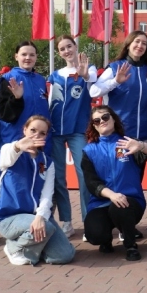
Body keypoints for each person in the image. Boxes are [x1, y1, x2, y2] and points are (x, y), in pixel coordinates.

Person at [0, 115, 75, 266]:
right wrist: (18, 146)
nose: (36, 135)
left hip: (35, 215)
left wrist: (40, 217)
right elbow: (7, 156)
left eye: (42, 133)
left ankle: (34, 244)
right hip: (7, 216)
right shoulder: (9, 150)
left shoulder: (47, 162)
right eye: (33, 130)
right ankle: (14, 248)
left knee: (64, 255)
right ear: (25, 130)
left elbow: (47, 195)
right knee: (47, 228)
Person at [80, 106, 147, 259]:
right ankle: (105, 240)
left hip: (130, 202)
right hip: (101, 202)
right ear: (94, 126)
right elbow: (91, 182)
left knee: (119, 206)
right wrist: (112, 195)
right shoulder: (89, 151)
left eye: (105, 117)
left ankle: (131, 246)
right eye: (97, 120)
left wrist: (141, 146)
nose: (102, 121)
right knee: (94, 234)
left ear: (113, 119)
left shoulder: (128, 143)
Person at [47, 35, 97, 237]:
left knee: (84, 175)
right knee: (58, 178)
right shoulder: (54, 76)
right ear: (59, 53)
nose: (67, 51)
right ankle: (66, 221)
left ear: (76, 47)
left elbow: (93, 84)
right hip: (56, 131)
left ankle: (89, 221)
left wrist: (84, 75)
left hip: (78, 130)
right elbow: (49, 101)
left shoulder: (89, 69)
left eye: (69, 46)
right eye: (62, 49)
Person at [90, 31, 147, 142]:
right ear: (128, 45)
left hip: (144, 136)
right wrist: (115, 81)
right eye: (137, 41)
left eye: (144, 43)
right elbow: (94, 91)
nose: (140, 45)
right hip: (119, 134)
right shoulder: (115, 67)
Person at [0, 41, 49, 146]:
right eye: (24, 54)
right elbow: (4, 114)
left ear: (36, 57)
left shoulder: (41, 80)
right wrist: (16, 98)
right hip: (16, 138)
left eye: (32, 55)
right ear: (16, 56)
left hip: (40, 140)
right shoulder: (8, 79)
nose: (28, 58)